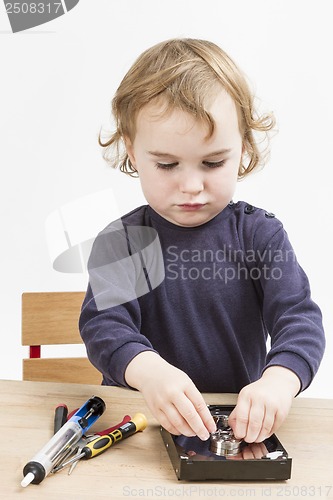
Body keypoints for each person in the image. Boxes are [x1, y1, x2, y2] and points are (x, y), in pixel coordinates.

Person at [79, 38, 325, 444]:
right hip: (136, 427)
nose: (191, 186)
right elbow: (105, 326)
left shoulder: (261, 235)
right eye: (166, 164)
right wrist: (150, 371)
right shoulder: (121, 241)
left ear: (243, 148)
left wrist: (279, 382)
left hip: (233, 434)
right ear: (133, 152)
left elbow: (299, 321)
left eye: (213, 162)